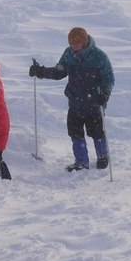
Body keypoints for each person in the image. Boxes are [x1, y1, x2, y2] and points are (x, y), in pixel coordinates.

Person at [30, 26, 115, 171]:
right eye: (71, 43)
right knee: (75, 133)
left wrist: (105, 93)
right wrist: (41, 71)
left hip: (94, 103)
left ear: (85, 41)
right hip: (75, 102)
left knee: (97, 132)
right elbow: (59, 72)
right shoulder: (68, 54)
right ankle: (81, 162)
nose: (74, 46)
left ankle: (103, 156)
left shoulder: (99, 56)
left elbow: (108, 78)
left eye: (77, 43)